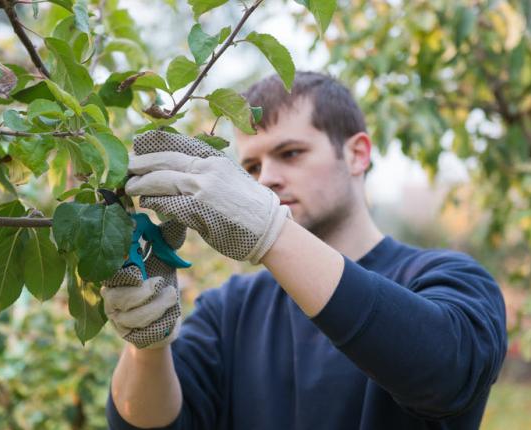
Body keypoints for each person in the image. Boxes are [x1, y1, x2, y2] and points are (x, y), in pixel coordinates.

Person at [103, 71, 507, 429]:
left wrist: (271, 231)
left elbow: (446, 375)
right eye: (252, 168)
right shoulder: (229, 310)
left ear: (357, 153)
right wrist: (148, 345)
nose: (269, 179)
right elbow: (152, 423)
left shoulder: (450, 278)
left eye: (290, 153)